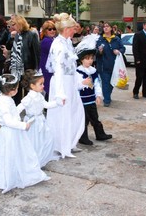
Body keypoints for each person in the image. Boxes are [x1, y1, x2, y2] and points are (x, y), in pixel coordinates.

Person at [0, 74, 50, 194]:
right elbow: (8, 121)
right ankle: (10, 179)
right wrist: (24, 125)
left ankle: (16, 175)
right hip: (10, 133)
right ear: (11, 90)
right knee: (10, 155)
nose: (18, 90)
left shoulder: (7, 99)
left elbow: (15, 112)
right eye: (17, 88)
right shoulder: (4, 103)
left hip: (14, 132)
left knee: (17, 154)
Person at [45, 13, 86, 158]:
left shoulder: (67, 42)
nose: (75, 29)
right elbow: (58, 69)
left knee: (74, 112)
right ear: (67, 29)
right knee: (62, 114)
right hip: (61, 83)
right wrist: (60, 92)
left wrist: (78, 82)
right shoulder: (58, 45)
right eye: (73, 27)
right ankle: (62, 146)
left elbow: (72, 67)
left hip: (70, 82)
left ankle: (69, 143)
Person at [18, 69, 60, 167]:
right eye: (40, 84)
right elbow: (18, 109)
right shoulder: (28, 99)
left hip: (41, 121)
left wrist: (57, 103)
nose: (43, 86)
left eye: (43, 83)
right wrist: (13, 119)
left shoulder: (40, 96)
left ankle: (40, 158)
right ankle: (33, 161)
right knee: (34, 142)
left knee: (45, 140)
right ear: (32, 86)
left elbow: (46, 105)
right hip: (32, 124)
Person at [75, 37, 113, 145]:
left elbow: (97, 84)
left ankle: (100, 134)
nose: (90, 60)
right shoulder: (78, 72)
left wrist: (98, 95)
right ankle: (83, 137)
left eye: (91, 58)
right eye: (87, 58)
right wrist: (82, 84)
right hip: (82, 101)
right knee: (84, 120)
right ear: (81, 59)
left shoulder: (93, 71)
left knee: (95, 118)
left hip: (91, 100)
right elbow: (75, 86)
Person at [9, 14, 41, 104]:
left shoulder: (31, 35)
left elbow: (36, 53)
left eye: (14, 24)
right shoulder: (16, 36)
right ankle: (17, 110)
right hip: (16, 69)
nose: (12, 26)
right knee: (16, 91)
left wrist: (36, 69)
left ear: (20, 23)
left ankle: (29, 111)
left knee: (28, 92)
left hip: (28, 67)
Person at [96, 22, 125, 106]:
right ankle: (107, 100)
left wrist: (119, 51)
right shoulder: (100, 39)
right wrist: (100, 51)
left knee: (112, 83)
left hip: (114, 66)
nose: (105, 28)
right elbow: (96, 53)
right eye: (104, 27)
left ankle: (107, 96)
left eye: (107, 26)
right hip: (103, 66)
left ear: (111, 28)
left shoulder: (116, 39)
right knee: (105, 83)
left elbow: (123, 48)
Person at [39, 20, 56, 100]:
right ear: (45, 31)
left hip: (49, 68)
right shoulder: (46, 41)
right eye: (49, 29)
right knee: (49, 89)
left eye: (54, 28)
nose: (52, 30)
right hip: (47, 69)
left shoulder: (52, 40)